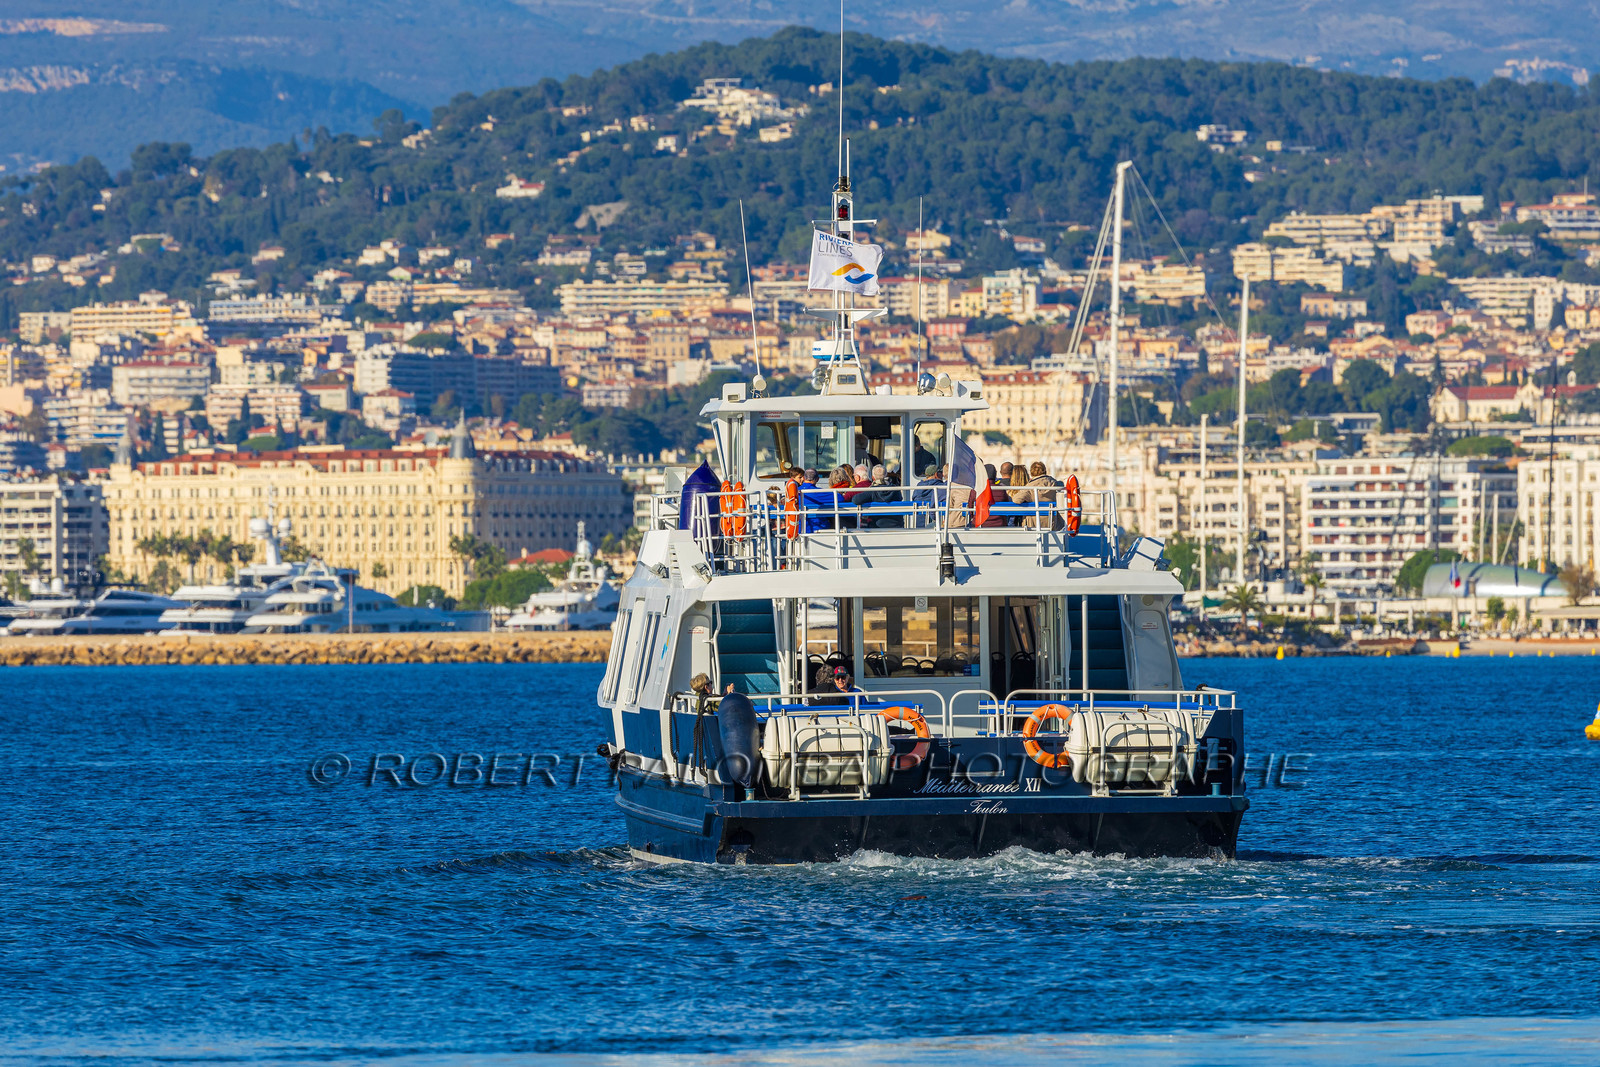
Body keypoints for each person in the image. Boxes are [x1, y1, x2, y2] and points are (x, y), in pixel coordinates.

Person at [1024, 460, 1060, 529]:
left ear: (1031, 472)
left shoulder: (1029, 486)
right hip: (1050, 521)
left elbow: (1016, 499)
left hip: (1033, 522)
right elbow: (1061, 484)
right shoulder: (1053, 482)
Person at [979, 463, 1008, 527]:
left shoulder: (976, 490)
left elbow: (970, 508)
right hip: (999, 523)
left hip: (980, 523)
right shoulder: (1001, 490)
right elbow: (1007, 504)